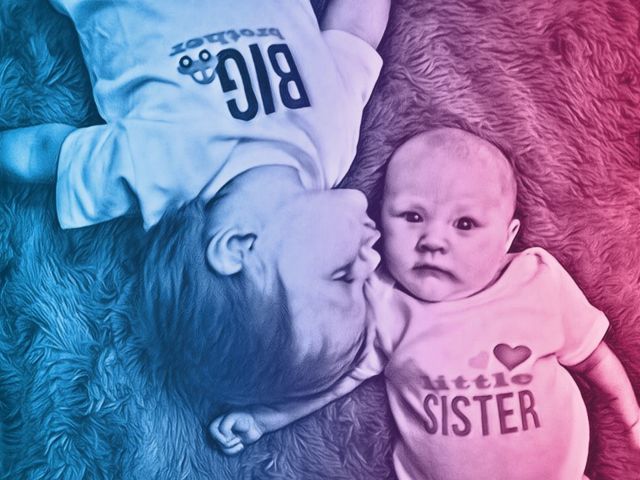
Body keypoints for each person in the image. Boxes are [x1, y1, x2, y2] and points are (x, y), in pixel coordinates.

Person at [0, 0, 390, 410]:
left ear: (237, 246)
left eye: (345, 275)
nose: (374, 262)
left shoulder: (158, 173)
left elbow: (40, 154)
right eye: (368, 284)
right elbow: (356, 31)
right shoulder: (333, 142)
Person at [210, 128, 640, 479]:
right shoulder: (387, 306)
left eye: (465, 224)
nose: (433, 240)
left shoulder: (535, 282)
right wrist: (265, 419)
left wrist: (631, 418)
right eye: (412, 216)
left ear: (507, 237)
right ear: (380, 219)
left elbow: (594, 357)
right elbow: (336, 378)